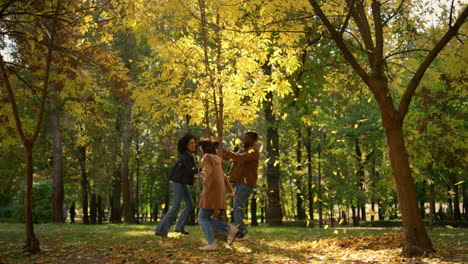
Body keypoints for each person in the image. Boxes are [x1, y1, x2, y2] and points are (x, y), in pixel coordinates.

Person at [197, 138, 239, 251]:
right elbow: (224, 177)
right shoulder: (217, 160)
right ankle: (230, 230)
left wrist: (203, 172)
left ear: (203, 148)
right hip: (218, 192)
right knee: (205, 218)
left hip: (210, 191)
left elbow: (208, 170)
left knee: (201, 218)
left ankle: (212, 243)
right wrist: (230, 191)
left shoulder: (206, 157)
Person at [155, 134, 198, 237]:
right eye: (191, 143)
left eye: (194, 142)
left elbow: (185, 170)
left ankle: (179, 227)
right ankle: (160, 229)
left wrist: (192, 177)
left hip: (182, 181)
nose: (194, 144)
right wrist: (201, 170)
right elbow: (189, 169)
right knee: (176, 206)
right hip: (178, 182)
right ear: (186, 145)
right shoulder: (185, 155)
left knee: (189, 204)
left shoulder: (189, 154)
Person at [222, 131, 259, 239]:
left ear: (252, 139)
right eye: (243, 137)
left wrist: (224, 151)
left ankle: (241, 232)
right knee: (237, 206)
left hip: (246, 182)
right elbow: (233, 158)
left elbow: (240, 158)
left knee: (238, 206)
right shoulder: (244, 150)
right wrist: (220, 154)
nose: (243, 139)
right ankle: (241, 231)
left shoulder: (253, 151)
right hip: (240, 182)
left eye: (245, 138)